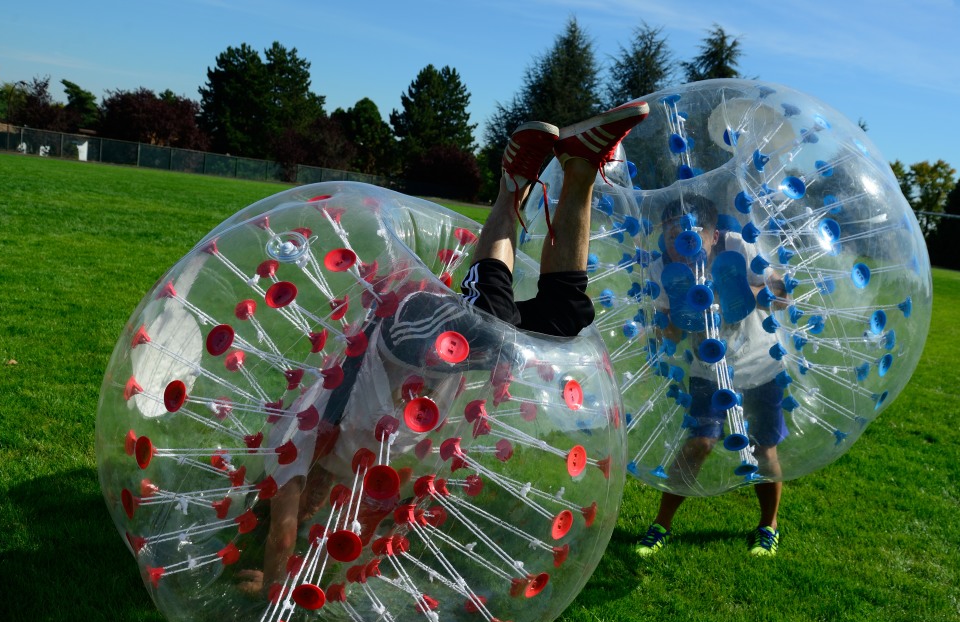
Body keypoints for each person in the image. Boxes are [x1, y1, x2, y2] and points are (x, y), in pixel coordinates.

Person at [237, 101, 651, 596]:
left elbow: (286, 529)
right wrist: (326, 578)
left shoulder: (291, 448)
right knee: (563, 322)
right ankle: (581, 167)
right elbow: (356, 533)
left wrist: (272, 584)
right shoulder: (363, 478)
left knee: (489, 319)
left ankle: (511, 185)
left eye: (300, 507)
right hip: (448, 359)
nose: (308, 512)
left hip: (402, 336)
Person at [636, 193, 788, 557]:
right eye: (672, 236)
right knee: (698, 444)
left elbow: (783, 294)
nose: (680, 245)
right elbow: (670, 332)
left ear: (714, 235)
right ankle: (661, 524)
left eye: (691, 236)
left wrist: (740, 291)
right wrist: (674, 319)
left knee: (762, 449)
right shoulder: (661, 270)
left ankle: (769, 525)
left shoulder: (737, 247)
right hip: (707, 369)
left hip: (760, 364)